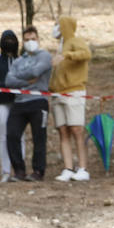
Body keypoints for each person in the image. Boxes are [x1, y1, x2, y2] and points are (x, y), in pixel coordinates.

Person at [4, 26, 51, 182]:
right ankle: (19, 170)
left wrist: (20, 79)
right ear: (22, 42)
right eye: (27, 40)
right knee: (11, 134)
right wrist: (27, 81)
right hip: (20, 101)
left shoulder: (44, 56)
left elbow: (37, 72)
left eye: (33, 39)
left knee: (39, 137)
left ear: (38, 40)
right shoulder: (18, 61)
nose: (30, 42)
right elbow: (9, 81)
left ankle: (38, 171)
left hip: (38, 100)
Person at [49, 16, 91, 182]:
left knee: (77, 130)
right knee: (63, 130)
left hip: (74, 91)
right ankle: (68, 167)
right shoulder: (59, 47)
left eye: (57, 25)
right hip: (58, 93)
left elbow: (86, 54)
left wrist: (67, 55)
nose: (55, 28)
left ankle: (83, 167)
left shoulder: (75, 41)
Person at [0, 29, 20, 182]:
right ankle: (5, 170)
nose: (9, 43)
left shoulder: (20, 61)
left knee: (18, 135)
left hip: (18, 101)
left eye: (12, 39)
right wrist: (3, 85)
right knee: (4, 133)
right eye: (6, 39)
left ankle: (19, 169)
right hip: (1, 101)